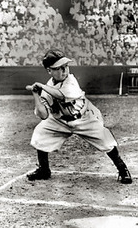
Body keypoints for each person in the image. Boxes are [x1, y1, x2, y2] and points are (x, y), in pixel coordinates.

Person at [25, 49, 132, 184]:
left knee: (105, 139)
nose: (64, 70)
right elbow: (43, 115)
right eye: (59, 68)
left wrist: (42, 87)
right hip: (60, 121)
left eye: (65, 66)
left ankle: (123, 170)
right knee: (40, 132)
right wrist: (36, 95)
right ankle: (44, 170)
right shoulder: (47, 87)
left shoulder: (71, 80)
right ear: (49, 71)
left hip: (83, 118)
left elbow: (61, 95)